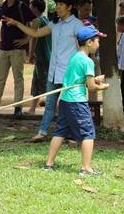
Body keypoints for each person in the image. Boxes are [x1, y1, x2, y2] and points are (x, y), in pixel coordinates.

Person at [2, 0, 84, 142]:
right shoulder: (54, 24)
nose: (57, 7)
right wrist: (17, 23)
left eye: (61, 5)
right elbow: (35, 33)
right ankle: (42, 132)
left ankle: (72, 135)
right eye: (57, 4)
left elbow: (81, 49)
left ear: (70, 7)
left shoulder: (77, 25)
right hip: (53, 72)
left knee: (70, 106)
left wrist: (80, 70)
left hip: (70, 72)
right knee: (50, 105)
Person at [44, 26, 109, 176]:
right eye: (97, 40)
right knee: (88, 133)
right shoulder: (87, 61)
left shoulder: (74, 56)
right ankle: (86, 168)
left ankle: (49, 163)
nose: (99, 43)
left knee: (60, 131)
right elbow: (91, 87)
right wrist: (102, 86)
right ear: (89, 42)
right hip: (77, 102)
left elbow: (79, 79)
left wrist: (95, 79)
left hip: (65, 100)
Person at [0, 0, 39, 119]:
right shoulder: (2, 6)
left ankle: (18, 106)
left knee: (18, 78)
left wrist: (27, 39)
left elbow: (36, 21)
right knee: (0, 78)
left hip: (17, 48)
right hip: (4, 48)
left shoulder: (22, 6)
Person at [26, 0, 51, 115]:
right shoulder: (47, 21)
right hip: (44, 56)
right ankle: (32, 108)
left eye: (31, 7)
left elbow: (34, 36)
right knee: (36, 82)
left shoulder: (39, 21)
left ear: (35, 8)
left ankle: (53, 109)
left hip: (43, 57)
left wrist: (31, 53)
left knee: (45, 83)